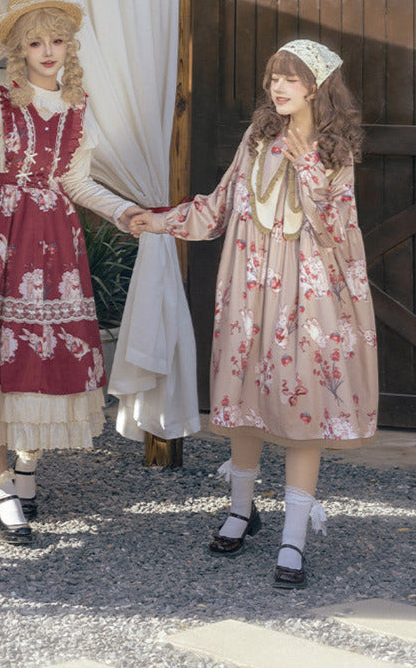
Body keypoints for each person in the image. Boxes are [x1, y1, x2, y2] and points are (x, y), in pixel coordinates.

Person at [130, 40, 378, 589]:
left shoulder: (335, 152)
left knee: (302, 404)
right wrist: (159, 221)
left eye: (291, 78)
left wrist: (308, 166)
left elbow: (339, 233)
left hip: (309, 295)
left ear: (317, 86)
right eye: (273, 77)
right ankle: (241, 511)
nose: (278, 87)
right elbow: (219, 208)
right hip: (249, 288)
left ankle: (293, 537)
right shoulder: (257, 137)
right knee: (245, 396)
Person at [0, 0, 143, 545]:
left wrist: (126, 211)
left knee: (44, 354)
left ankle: (27, 464)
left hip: (54, 243)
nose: (49, 51)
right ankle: (0, 484)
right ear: (19, 50)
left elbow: (76, 182)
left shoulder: (78, 107)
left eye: (57, 40)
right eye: (36, 43)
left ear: (69, 46)